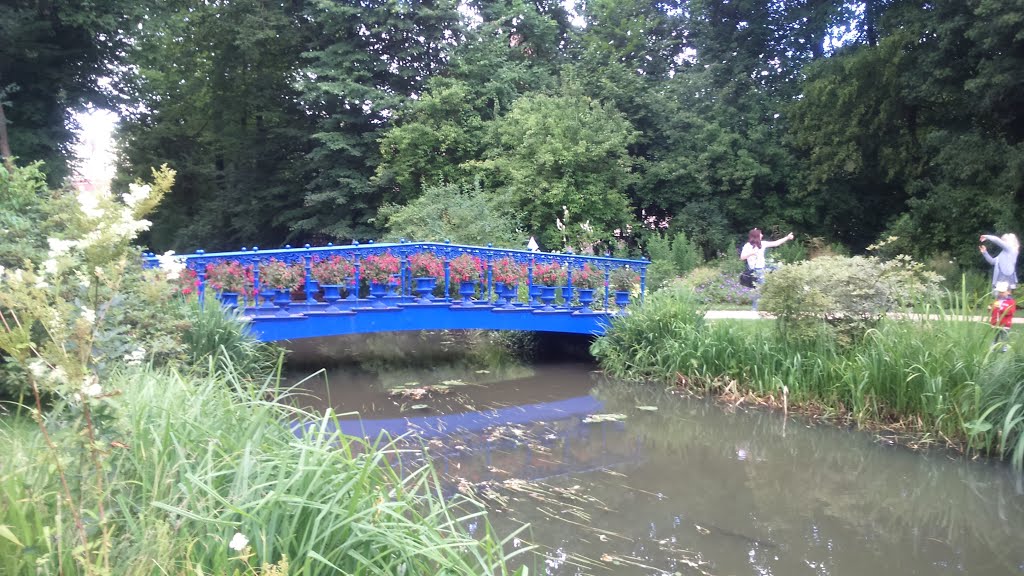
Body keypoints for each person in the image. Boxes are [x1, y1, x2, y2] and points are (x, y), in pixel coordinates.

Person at [740, 228, 794, 310]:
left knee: (778, 268)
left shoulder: (762, 244)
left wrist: (787, 237)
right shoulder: (747, 246)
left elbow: (776, 243)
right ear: (756, 236)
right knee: (759, 290)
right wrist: (752, 253)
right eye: (760, 234)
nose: (762, 235)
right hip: (756, 271)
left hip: (762, 269)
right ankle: (755, 309)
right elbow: (742, 257)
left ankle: (759, 307)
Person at [990, 281, 1016, 351]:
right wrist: (991, 308)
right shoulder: (996, 300)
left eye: (1002, 292)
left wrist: (1001, 308)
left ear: (1008, 292)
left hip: (1005, 324)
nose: (1000, 294)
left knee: (1004, 337)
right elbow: (993, 311)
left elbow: (1011, 312)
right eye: (999, 292)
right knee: (994, 336)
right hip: (995, 323)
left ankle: (1004, 348)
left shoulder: (1010, 302)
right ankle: (993, 347)